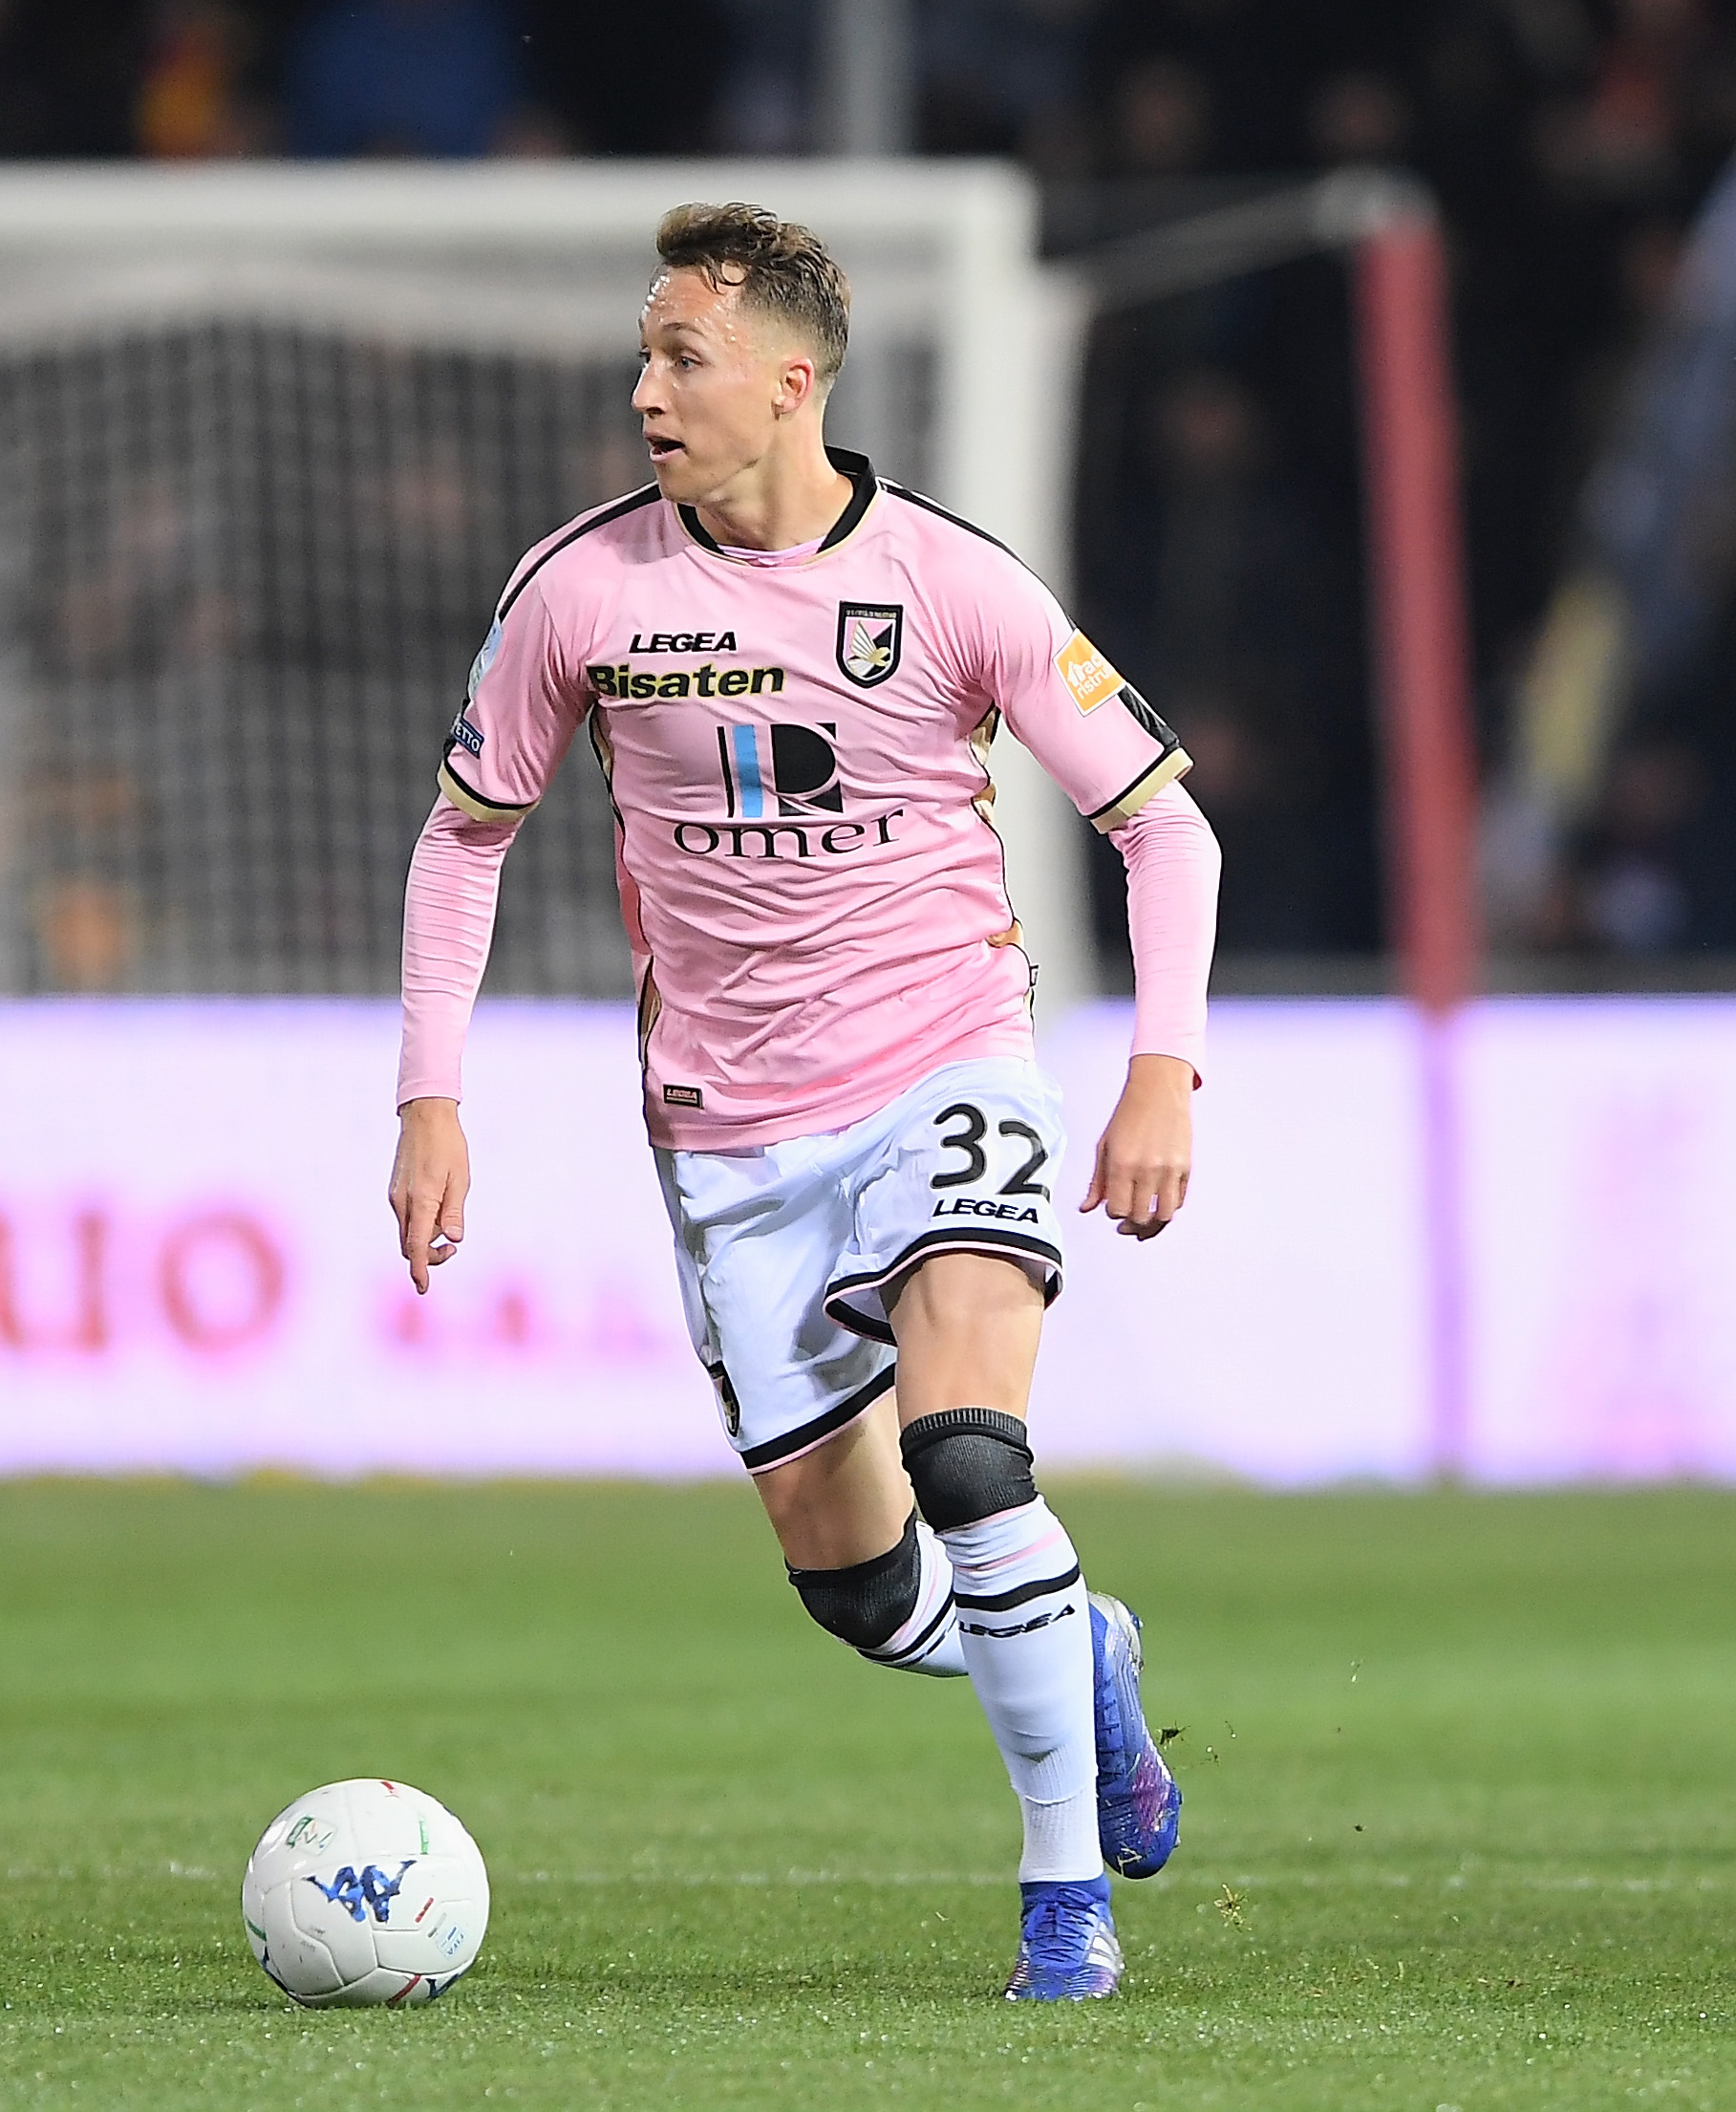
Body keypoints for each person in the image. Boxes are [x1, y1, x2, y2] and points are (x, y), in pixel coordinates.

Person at [385, 203, 1221, 2000]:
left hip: (945, 1062)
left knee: (971, 1455)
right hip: (729, 1135)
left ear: (791, 380)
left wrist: (1162, 1064)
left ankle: (1061, 1902)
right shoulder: (581, 591)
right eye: (642, 355)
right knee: (854, 1585)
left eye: (679, 357)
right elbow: (465, 842)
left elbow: (1164, 823)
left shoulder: (951, 581)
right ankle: (1083, 1646)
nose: (644, 390)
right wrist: (429, 1100)